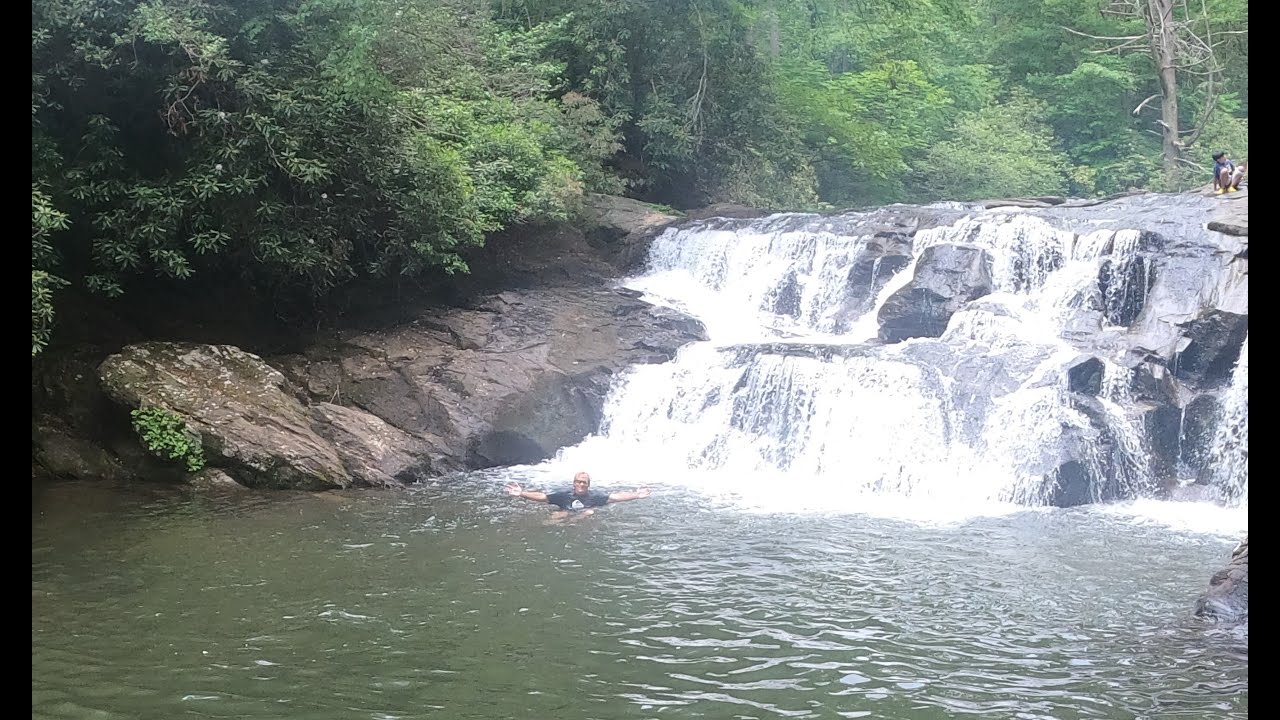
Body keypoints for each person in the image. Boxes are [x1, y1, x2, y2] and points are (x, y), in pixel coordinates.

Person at [505, 471, 651, 518]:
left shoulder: (595, 496)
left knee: (589, 512)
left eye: (584, 483)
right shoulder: (564, 495)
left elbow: (616, 497)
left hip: (583, 516)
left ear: (588, 485)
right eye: (578, 482)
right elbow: (543, 497)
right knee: (560, 515)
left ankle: (574, 526)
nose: (581, 485)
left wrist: (636, 494)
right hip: (565, 512)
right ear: (574, 483)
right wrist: (522, 493)